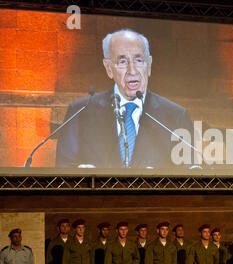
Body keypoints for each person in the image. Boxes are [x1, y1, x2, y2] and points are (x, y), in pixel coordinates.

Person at [55, 28, 194, 169]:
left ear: (149, 65)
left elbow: (190, 177)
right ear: (109, 68)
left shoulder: (177, 117)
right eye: (122, 62)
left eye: (139, 60)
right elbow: (62, 170)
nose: (132, 70)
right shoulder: (80, 113)